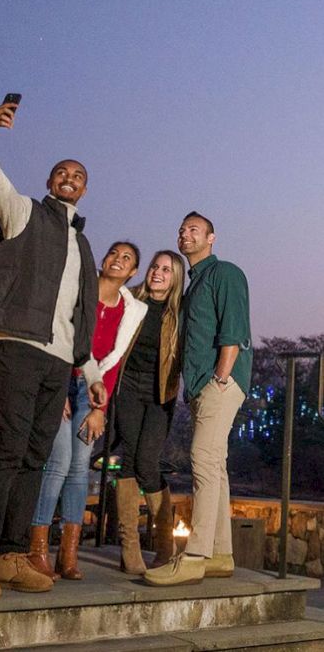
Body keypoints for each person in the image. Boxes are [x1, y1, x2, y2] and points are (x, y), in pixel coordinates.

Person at [0, 100, 104, 603]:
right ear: (49, 180)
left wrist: (89, 368)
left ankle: (12, 556)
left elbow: (83, 315)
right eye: (61, 171)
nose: (69, 177)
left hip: (61, 357)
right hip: (18, 343)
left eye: (77, 174)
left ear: (85, 188)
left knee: (36, 457)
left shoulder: (84, 247)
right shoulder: (23, 213)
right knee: (9, 450)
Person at [144, 212, 252, 586]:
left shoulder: (226, 274)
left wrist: (221, 376)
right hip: (203, 386)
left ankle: (194, 556)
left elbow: (233, 330)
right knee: (215, 467)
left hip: (220, 382)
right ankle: (221, 554)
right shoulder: (193, 285)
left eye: (194, 230)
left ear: (211, 238)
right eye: (181, 230)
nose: (185, 234)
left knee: (202, 461)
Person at [29, 241, 146, 581]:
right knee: (58, 462)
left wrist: (100, 409)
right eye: (114, 253)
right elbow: (55, 334)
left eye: (127, 259)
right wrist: (54, 389)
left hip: (93, 391)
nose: (118, 260)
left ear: (133, 272)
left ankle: (69, 554)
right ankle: (37, 551)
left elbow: (114, 362)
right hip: (62, 378)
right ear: (104, 258)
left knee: (80, 468)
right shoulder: (79, 289)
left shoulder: (132, 310)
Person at [114, 250, 185, 574]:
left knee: (147, 461)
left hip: (161, 394)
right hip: (127, 389)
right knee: (129, 459)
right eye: (155, 266)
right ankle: (129, 549)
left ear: (175, 278)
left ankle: (164, 546)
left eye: (166, 270)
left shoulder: (179, 313)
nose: (158, 272)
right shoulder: (130, 300)